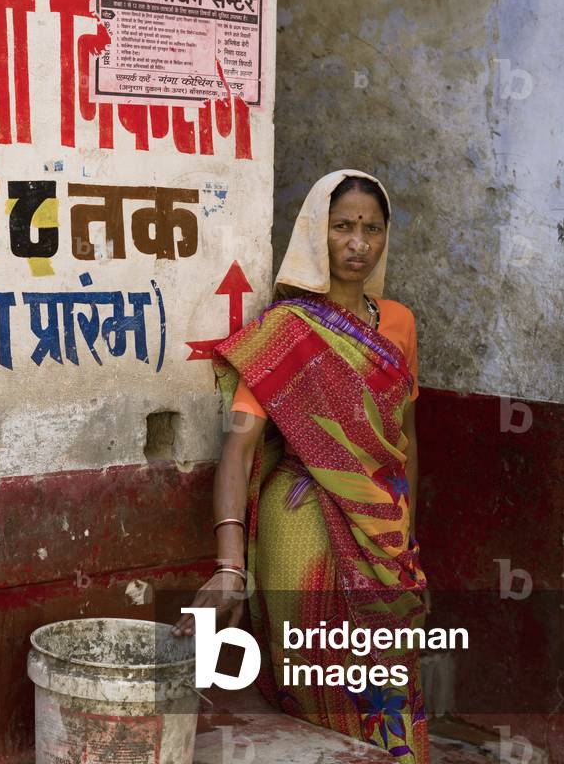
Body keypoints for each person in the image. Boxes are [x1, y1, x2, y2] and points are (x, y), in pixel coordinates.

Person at [173, 170, 430, 763]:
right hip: (304, 520)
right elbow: (237, 449)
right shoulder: (286, 332)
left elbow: (405, 441)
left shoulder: (399, 324)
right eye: (343, 227)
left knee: (394, 682)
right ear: (318, 234)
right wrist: (230, 567)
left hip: (383, 534)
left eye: (372, 229)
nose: (358, 243)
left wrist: (400, 536)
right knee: (328, 685)